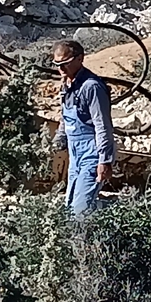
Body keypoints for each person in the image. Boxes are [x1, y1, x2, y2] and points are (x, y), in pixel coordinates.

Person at [52, 39, 115, 215]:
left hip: (92, 152)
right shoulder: (66, 84)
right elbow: (65, 115)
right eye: (57, 64)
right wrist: (60, 136)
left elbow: (102, 125)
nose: (61, 69)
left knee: (80, 209)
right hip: (75, 153)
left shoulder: (92, 87)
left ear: (80, 58)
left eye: (65, 63)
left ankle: (119, 213)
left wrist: (105, 160)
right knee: (70, 206)